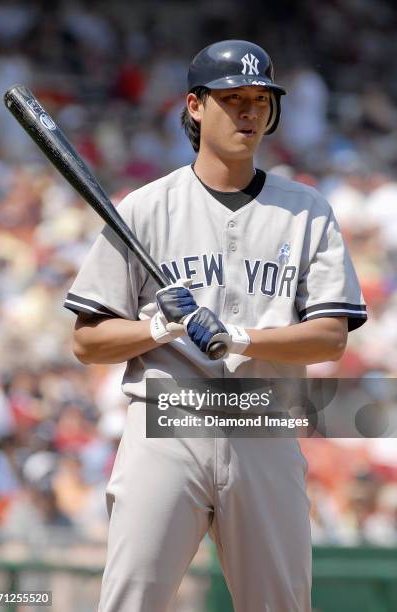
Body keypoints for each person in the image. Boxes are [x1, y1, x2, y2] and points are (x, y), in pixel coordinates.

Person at [65, 40, 367, 612]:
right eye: (232, 98)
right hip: (167, 424)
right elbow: (87, 340)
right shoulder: (145, 208)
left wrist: (241, 337)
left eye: (259, 99)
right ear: (196, 106)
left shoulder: (308, 210)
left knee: (281, 604)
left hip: (264, 422)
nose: (249, 111)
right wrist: (159, 330)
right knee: (130, 601)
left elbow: (330, 336)